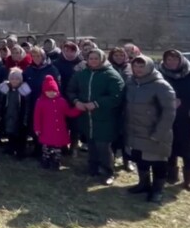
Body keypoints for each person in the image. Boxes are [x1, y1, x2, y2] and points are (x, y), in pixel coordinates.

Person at [67, 48, 125, 186]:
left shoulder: (111, 75)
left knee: (103, 145)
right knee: (91, 143)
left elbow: (117, 95)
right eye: (91, 58)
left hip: (105, 117)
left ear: (102, 59)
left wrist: (97, 103)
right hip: (86, 117)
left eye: (96, 58)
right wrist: (76, 102)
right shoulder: (82, 74)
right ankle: (93, 168)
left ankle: (108, 172)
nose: (93, 61)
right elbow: (71, 89)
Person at [126, 56, 177, 204]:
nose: (138, 70)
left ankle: (157, 190)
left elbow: (169, 112)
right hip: (135, 131)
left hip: (154, 132)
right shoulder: (131, 83)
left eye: (141, 66)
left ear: (149, 67)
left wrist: (159, 133)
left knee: (158, 162)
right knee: (140, 159)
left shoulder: (161, 85)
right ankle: (143, 184)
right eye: (135, 66)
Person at [159, 50, 190, 192]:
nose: (171, 62)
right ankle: (172, 175)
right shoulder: (160, 75)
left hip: (188, 118)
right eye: (168, 59)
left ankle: (189, 179)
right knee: (169, 146)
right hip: (167, 116)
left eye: (175, 59)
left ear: (181, 60)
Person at [33, 75, 81, 170]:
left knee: (57, 149)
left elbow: (69, 112)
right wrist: (37, 128)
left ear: (57, 91)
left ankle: (56, 161)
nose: (51, 93)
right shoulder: (40, 102)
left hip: (58, 130)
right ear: (44, 91)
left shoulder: (61, 101)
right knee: (46, 148)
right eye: (48, 91)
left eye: (53, 91)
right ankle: (45, 161)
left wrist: (78, 109)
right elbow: (37, 117)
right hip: (46, 130)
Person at [109, 47, 136, 173]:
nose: (118, 58)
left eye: (121, 55)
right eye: (116, 55)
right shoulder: (107, 68)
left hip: (128, 105)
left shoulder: (131, 68)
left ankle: (127, 160)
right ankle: (111, 158)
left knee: (127, 134)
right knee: (113, 133)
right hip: (112, 105)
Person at [0, 68, 32, 159]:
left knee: (20, 134)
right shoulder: (6, 89)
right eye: (12, 79)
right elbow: (1, 102)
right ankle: (10, 148)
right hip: (9, 114)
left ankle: (20, 151)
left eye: (17, 79)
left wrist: (25, 119)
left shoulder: (24, 90)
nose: (14, 81)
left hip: (19, 115)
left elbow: (27, 106)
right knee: (10, 132)